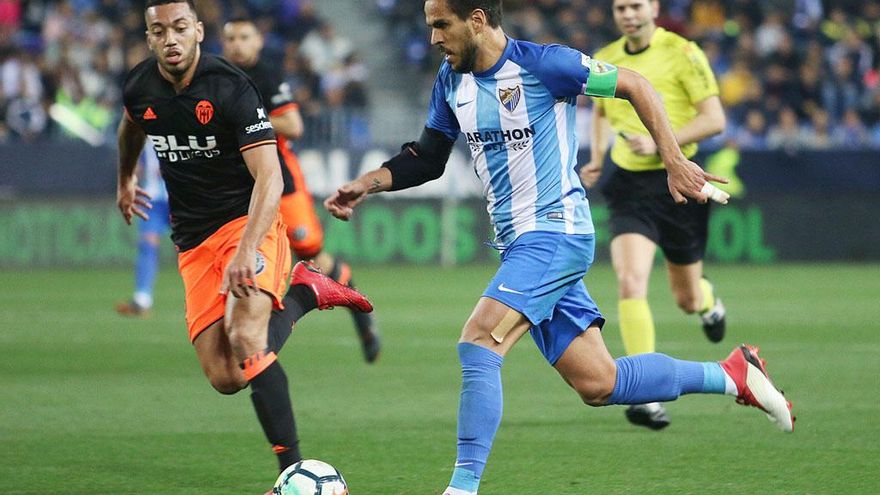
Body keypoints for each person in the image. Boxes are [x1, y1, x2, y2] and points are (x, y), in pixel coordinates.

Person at [324, 2, 794, 494]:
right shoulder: (451, 81)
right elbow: (427, 157)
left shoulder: (546, 65)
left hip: (554, 235)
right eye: (430, 26)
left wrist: (672, 158)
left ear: (477, 20)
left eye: (442, 25)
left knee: (479, 342)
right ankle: (733, 374)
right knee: (600, 383)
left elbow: (636, 85)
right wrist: (369, 183)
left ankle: (461, 489)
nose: (434, 37)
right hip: (521, 248)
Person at [115, 0, 373, 487]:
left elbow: (270, 178)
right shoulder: (140, 86)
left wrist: (245, 246)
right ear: (149, 38)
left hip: (249, 221)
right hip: (194, 241)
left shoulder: (230, 86)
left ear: (197, 31)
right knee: (226, 377)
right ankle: (306, 292)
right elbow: (132, 125)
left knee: (249, 339)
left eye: (179, 28)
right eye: (158, 31)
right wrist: (126, 178)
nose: (170, 39)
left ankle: (291, 474)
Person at [578, 0, 728, 430]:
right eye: (620, 7)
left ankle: (707, 302)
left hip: (680, 181)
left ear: (654, 8)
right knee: (630, 280)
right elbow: (602, 112)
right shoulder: (606, 58)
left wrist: (664, 143)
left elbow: (714, 119)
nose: (628, 14)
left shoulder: (683, 52)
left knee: (685, 297)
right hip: (628, 186)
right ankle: (644, 395)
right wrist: (598, 155)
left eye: (635, 6)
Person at [221, 17, 381, 363]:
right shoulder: (218, 78)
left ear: (258, 42)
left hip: (282, 181)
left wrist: (242, 117)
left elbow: (293, 125)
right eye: (231, 37)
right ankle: (247, 334)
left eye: (245, 36)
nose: (237, 44)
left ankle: (359, 311)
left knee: (312, 253)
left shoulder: (265, 75)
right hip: (242, 184)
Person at [116, 142, 170, 317]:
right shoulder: (146, 131)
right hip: (152, 199)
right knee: (147, 244)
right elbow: (139, 163)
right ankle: (142, 299)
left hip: (180, 197)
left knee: (197, 246)